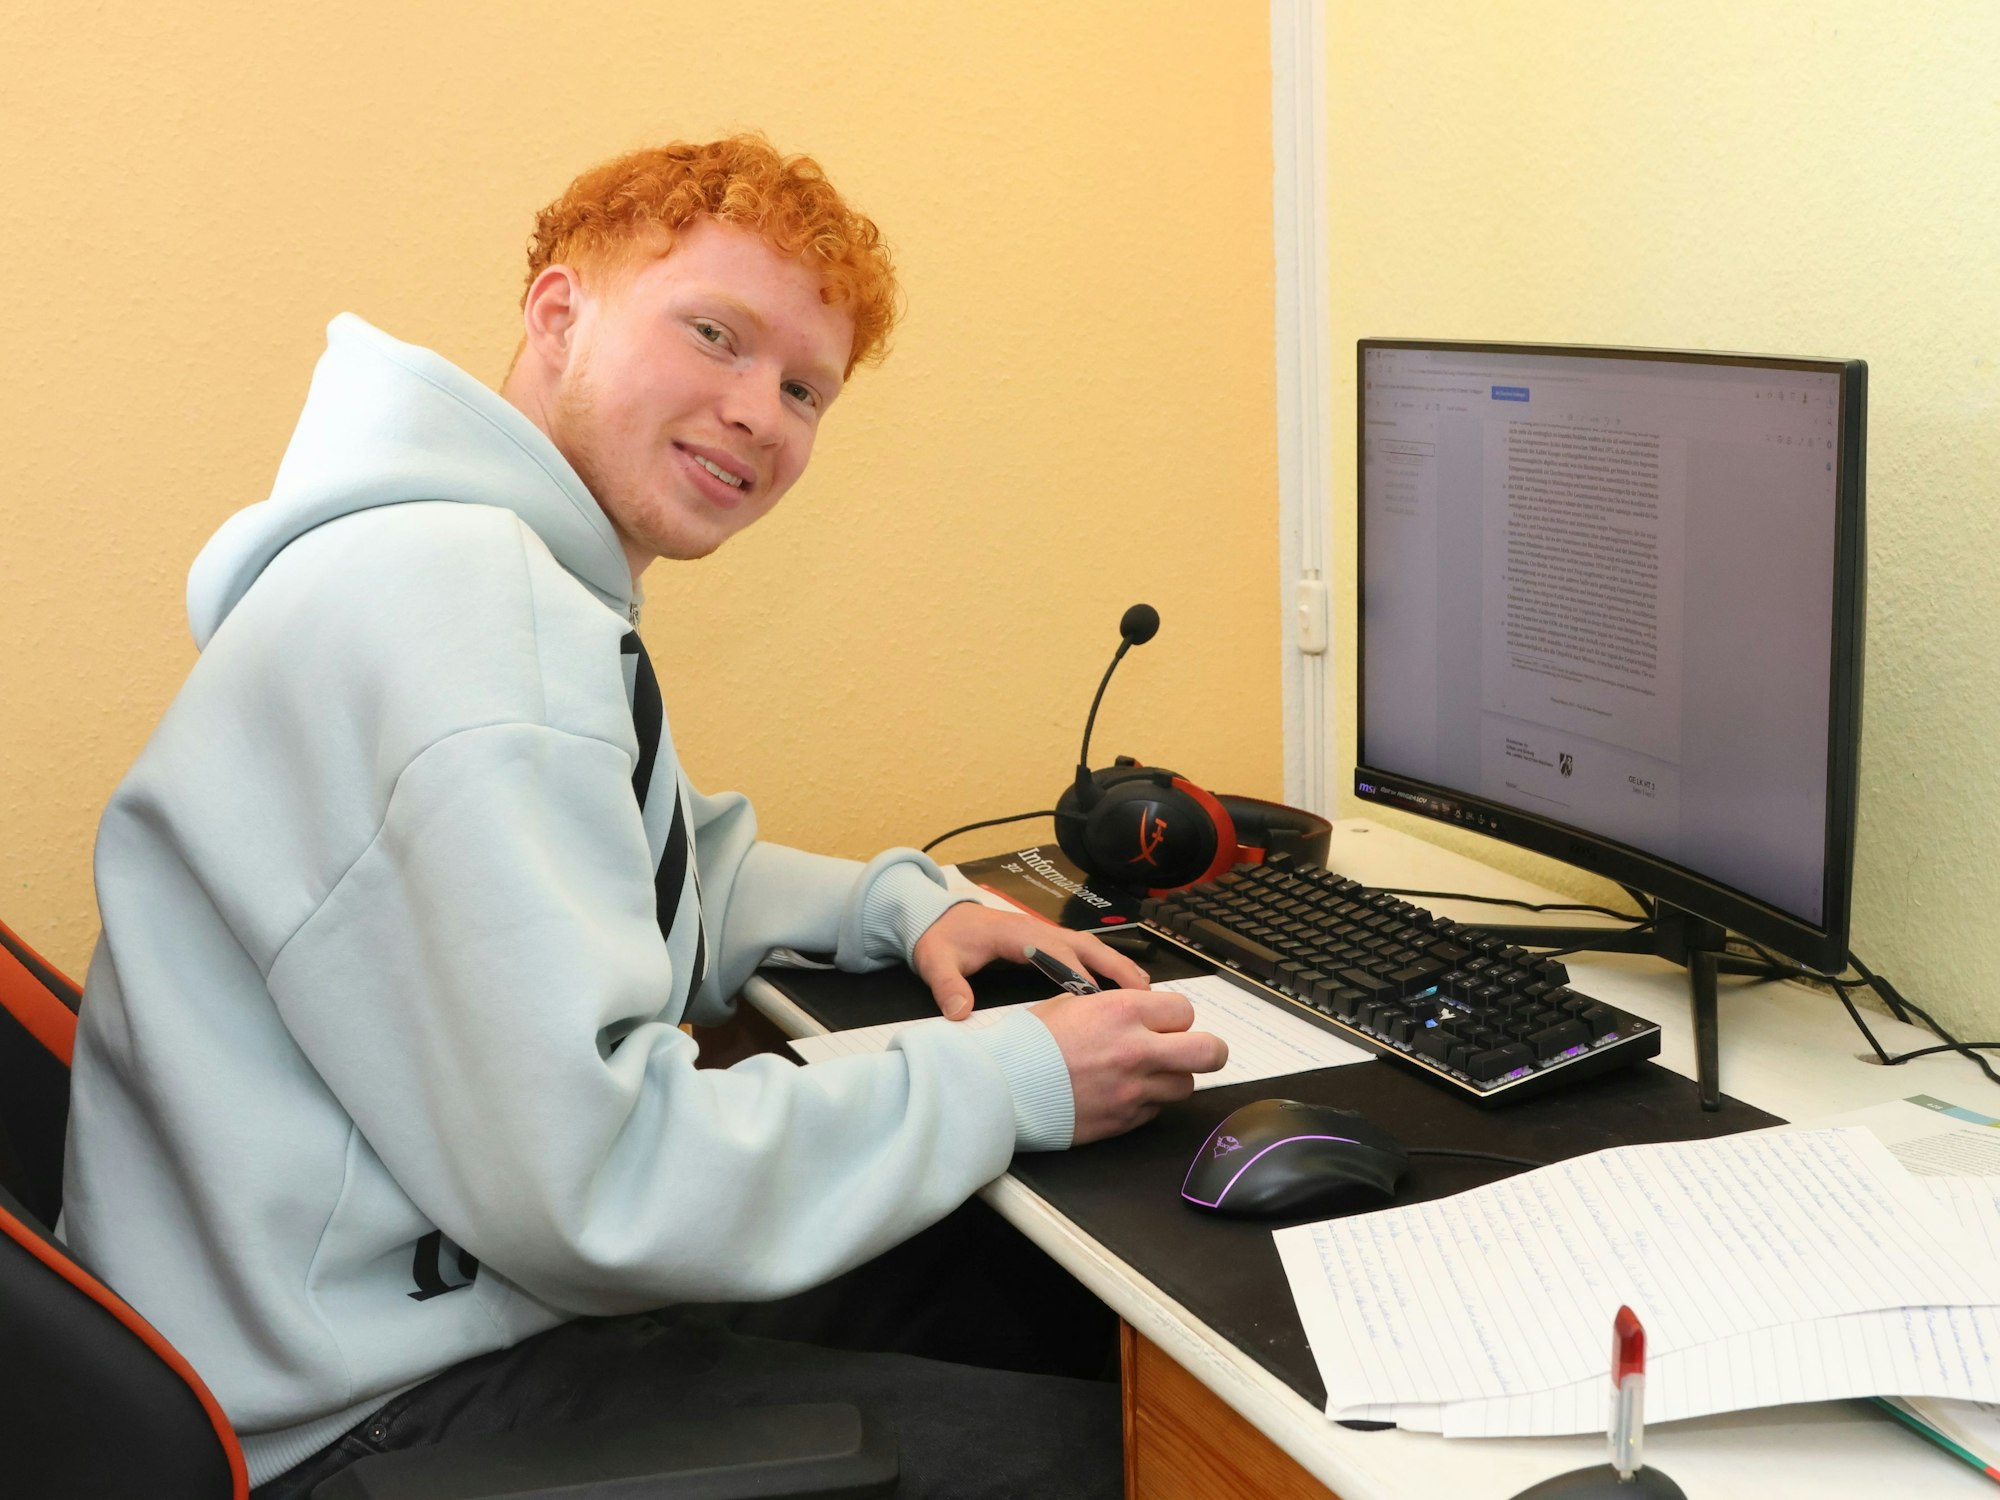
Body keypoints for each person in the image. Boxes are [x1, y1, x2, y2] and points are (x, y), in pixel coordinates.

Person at [60, 135, 1227, 1499]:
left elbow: (654, 864)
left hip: (330, 1320)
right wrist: (1022, 1074)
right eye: (716, 337)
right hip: (365, 1418)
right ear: (559, 316)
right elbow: (600, 1186)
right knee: (1164, 1464)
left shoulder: (468, 566)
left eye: (804, 387)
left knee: (1029, 1300)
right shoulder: (472, 630)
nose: (759, 412)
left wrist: (897, 905)